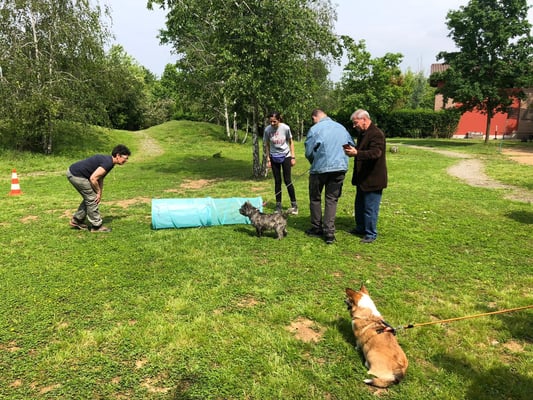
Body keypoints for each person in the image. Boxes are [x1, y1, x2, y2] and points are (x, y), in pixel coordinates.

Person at [304, 109, 355, 244]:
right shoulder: (342, 128)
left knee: (315, 198)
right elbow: (351, 145)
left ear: (315, 117)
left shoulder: (315, 129)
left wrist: (314, 161)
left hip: (319, 169)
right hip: (339, 168)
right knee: (331, 199)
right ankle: (329, 233)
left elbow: (309, 152)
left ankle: (316, 228)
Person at [344, 109, 387, 243]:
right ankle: (361, 227)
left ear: (364, 119)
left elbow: (376, 153)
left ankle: (370, 233)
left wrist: (357, 153)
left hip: (373, 178)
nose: (354, 126)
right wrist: (353, 151)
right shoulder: (363, 133)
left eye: (355, 122)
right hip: (362, 178)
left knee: (370, 208)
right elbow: (363, 150)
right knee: (360, 206)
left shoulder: (376, 134)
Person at [66, 144, 131, 232]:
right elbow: (93, 178)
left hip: (75, 172)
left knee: (90, 197)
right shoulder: (108, 163)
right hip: (76, 175)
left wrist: (99, 193)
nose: (126, 160)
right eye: (125, 158)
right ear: (118, 155)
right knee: (92, 199)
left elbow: (100, 178)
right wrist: (98, 192)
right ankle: (96, 226)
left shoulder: (109, 162)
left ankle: (77, 220)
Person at [264, 111, 298, 214]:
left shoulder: (285, 128)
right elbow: (267, 145)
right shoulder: (267, 130)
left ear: (279, 120)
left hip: (286, 156)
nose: (272, 123)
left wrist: (293, 157)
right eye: (270, 122)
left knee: (287, 180)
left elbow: (291, 142)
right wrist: (268, 159)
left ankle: (294, 206)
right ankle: (278, 206)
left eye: (274, 121)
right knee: (277, 181)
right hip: (274, 157)